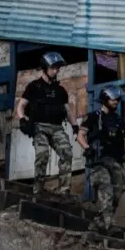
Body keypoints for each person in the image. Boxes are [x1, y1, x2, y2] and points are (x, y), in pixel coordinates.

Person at [15, 52, 79, 195]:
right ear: (45, 68)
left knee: (67, 153)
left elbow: (68, 111)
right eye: (53, 68)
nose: (56, 71)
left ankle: (64, 190)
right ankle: (38, 189)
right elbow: (21, 106)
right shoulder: (34, 86)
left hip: (57, 128)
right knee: (42, 154)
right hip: (39, 126)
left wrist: (75, 126)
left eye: (58, 68)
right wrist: (22, 119)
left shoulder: (60, 90)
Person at [77, 84, 125, 234]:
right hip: (98, 160)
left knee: (118, 190)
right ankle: (109, 225)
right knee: (106, 189)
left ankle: (98, 222)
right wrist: (87, 148)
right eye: (113, 99)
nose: (116, 102)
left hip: (114, 160)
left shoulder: (118, 120)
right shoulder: (93, 117)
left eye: (118, 99)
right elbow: (80, 135)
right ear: (105, 100)